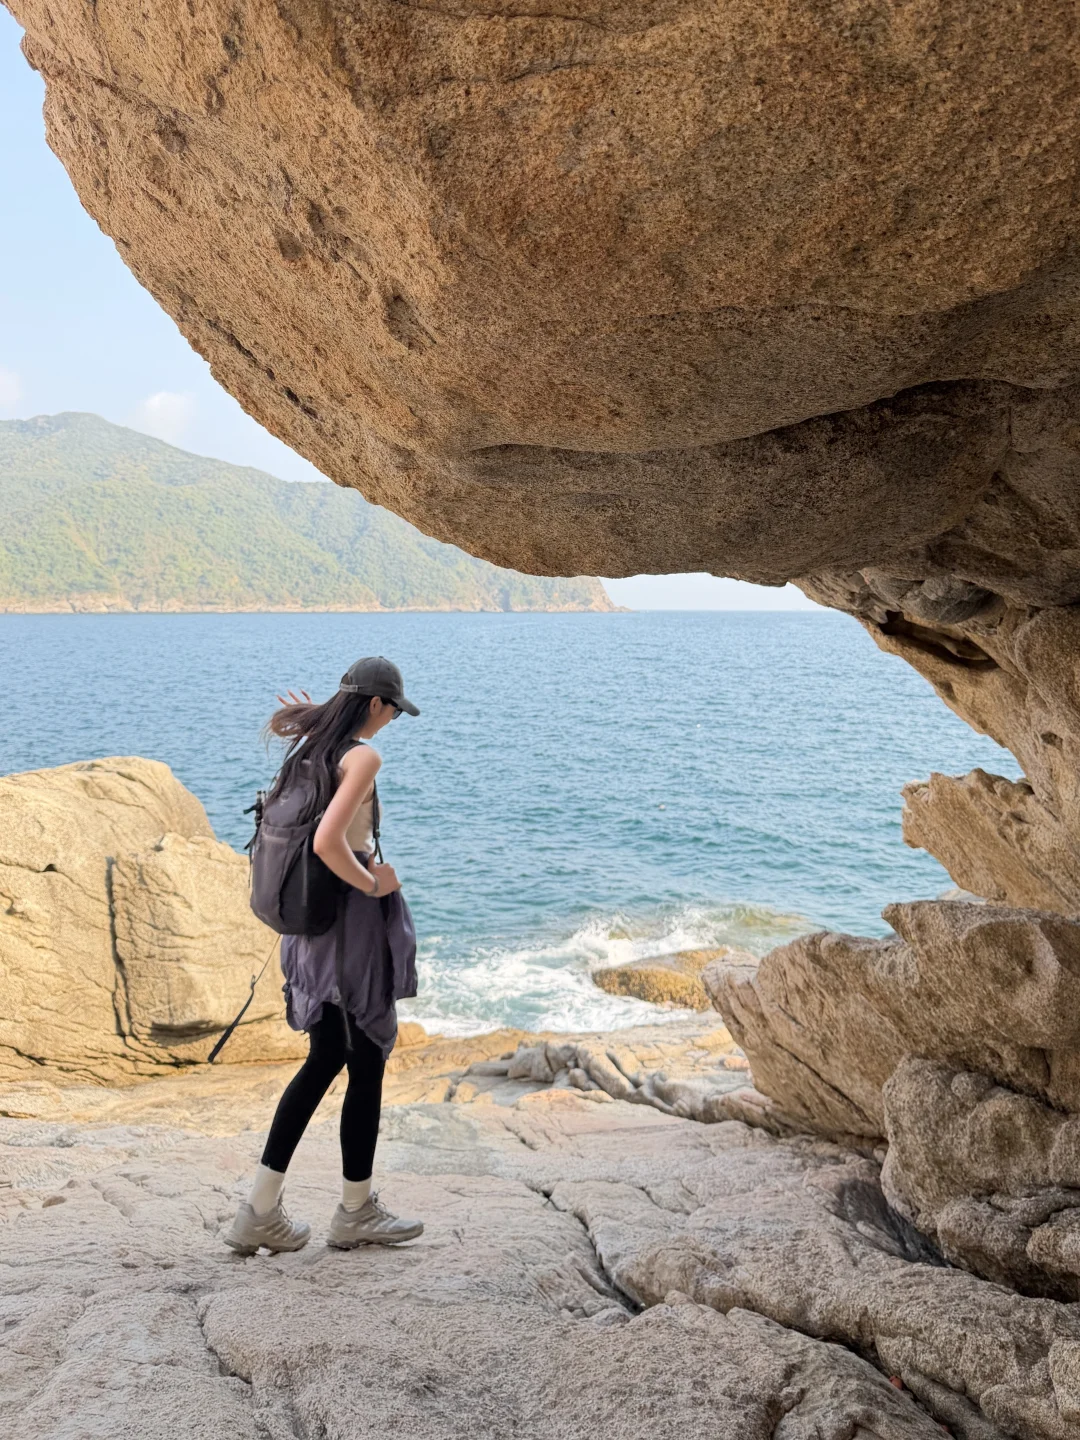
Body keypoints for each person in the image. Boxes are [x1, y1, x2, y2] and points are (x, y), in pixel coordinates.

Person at [224, 656, 423, 1255]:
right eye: (393, 710)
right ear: (376, 706)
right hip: (347, 926)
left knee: (330, 1056)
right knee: (361, 1061)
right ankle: (351, 1211)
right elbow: (327, 841)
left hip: (308, 930)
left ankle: (263, 1210)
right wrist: (374, 885)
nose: (392, 721)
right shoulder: (360, 755)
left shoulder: (312, 749)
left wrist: (313, 716)